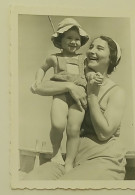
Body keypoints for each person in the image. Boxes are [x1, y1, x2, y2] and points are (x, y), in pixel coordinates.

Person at [27, 35, 126, 180]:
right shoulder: (76, 80)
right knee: (32, 180)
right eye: (91, 47)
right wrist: (69, 86)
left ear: (111, 58)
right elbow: (39, 87)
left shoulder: (117, 92)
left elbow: (104, 133)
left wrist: (92, 95)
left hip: (103, 159)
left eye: (99, 48)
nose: (92, 51)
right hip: (71, 159)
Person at [31, 18, 89, 173]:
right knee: (58, 124)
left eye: (77, 39)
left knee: (73, 129)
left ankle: (69, 162)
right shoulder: (54, 58)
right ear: (60, 40)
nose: (73, 42)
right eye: (69, 38)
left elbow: (90, 74)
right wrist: (38, 80)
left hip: (79, 97)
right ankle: (56, 151)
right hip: (60, 94)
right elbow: (42, 69)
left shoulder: (83, 59)